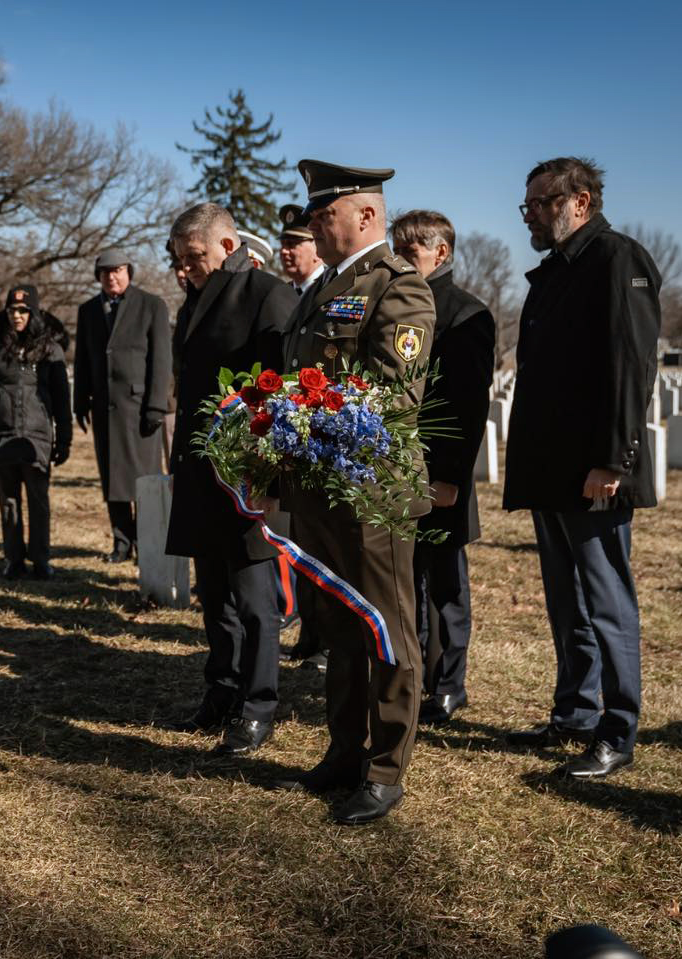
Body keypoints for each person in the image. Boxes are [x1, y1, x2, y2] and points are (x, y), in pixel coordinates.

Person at [271, 160, 435, 824]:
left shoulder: (399, 287)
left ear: (366, 216)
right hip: (319, 485)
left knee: (386, 629)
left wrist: (308, 415)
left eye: (323, 215)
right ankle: (344, 750)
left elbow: (394, 391)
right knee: (337, 624)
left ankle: (385, 768)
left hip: (372, 490)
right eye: (312, 216)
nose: (314, 225)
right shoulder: (322, 289)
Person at [503, 157, 661, 779]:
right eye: (529, 206)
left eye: (543, 203)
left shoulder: (616, 259)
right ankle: (574, 712)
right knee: (565, 601)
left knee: (605, 600)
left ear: (582, 201)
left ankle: (617, 728)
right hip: (550, 467)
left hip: (593, 470)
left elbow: (630, 367)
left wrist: (610, 460)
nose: (533, 216)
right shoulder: (556, 271)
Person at [166, 202, 297, 756]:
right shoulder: (193, 302)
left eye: (192, 257)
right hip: (200, 472)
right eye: (176, 259)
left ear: (226, 246)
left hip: (245, 477)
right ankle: (220, 691)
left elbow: (281, 392)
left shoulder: (268, 296)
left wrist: (267, 476)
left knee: (254, 600)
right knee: (213, 593)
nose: (183, 269)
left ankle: (258, 704)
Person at [390, 210, 496, 725]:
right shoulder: (395, 306)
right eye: (398, 251)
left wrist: (451, 477)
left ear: (441, 254)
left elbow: (469, 404)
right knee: (407, 580)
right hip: (395, 469)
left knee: (446, 584)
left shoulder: (463, 312)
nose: (401, 261)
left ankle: (450, 684)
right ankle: (417, 677)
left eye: (411, 253)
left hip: (439, 474)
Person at [0, 285, 73, 581]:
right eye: (12, 310)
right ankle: (13, 559)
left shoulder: (50, 349)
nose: (17, 315)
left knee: (39, 501)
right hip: (1, 435)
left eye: (24, 310)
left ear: (34, 313)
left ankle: (41, 559)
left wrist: (64, 438)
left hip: (36, 438)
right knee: (9, 502)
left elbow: (62, 397)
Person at [72, 250, 172, 563]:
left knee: (144, 479)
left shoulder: (151, 305)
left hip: (140, 408)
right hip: (105, 407)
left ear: (129, 271)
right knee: (112, 478)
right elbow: (84, 359)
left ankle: (146, 542)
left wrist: (156, 405)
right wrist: (80, 401)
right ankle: (121, 541)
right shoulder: (88, 310)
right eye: (105, 272)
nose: (111, 277)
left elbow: (161, 360)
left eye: (117, 270)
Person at [275, 202, 330, 672]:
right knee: (302, 543)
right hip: (292, 440)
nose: (286, 250)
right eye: (284, 243)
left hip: (325, 439)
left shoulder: (330, 292)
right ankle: (311, 635)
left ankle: (327, 639)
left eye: (296, 242)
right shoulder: (286, 295)